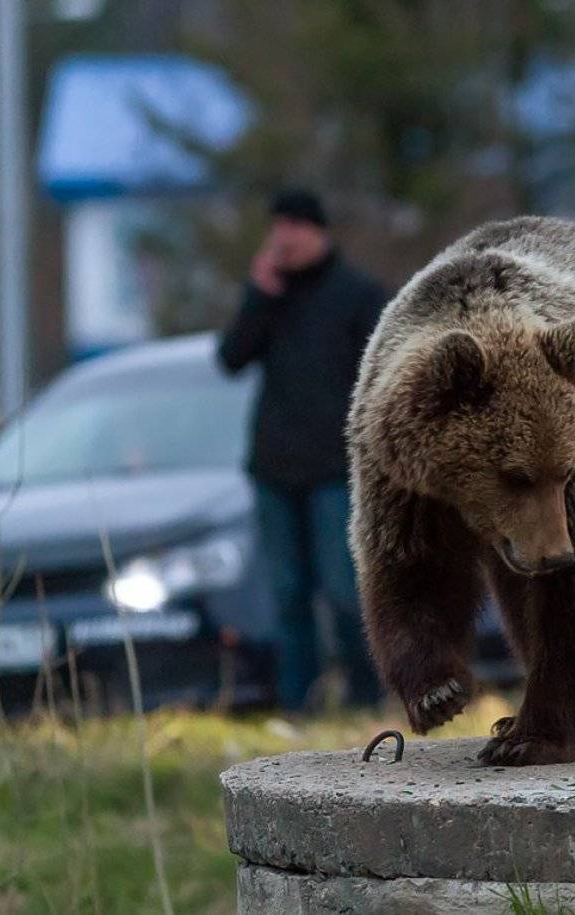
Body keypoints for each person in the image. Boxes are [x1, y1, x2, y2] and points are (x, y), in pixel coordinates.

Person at [218, 187, 386, 710]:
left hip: (337, 468)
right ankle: (300, 702)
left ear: (318, 232)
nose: (284, 237)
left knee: (342, 589)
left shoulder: (359, 295)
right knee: (288, 595)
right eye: (278, 225)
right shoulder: (270, 296)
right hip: (274, 470)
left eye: (294, 225)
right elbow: (231, 358)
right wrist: (257, 296)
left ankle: (366, 694)